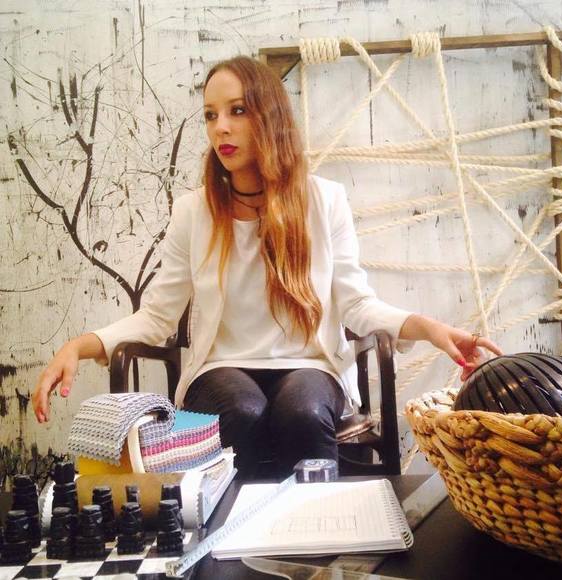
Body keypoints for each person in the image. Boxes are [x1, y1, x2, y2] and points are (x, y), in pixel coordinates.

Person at [32, 56, 502, 477]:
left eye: (237, 110)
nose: (221, 128)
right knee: (242, 409)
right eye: (211, 115)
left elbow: (357, 305)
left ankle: (321, 534)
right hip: (221, 370)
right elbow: (157, 317)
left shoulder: (324, 201)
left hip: (310, 366)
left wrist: (430, 329)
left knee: (302, 412)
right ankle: (233, 537)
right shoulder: (193, 212)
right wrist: (79, 345)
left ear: (270, 116)